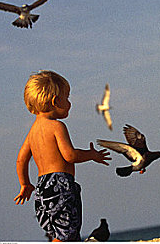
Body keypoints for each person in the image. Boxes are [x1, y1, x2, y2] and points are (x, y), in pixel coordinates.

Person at [14, 70, 111, 241]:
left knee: (56, 233)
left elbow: (21, 159)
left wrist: (25, 184)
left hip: (42, 189)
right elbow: (70, 155)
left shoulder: (32, 133)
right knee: (67, 232)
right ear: (55, 101)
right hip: (60, 185)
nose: (69, 103)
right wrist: (91, 154)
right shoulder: (57, 126)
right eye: (67, 97)